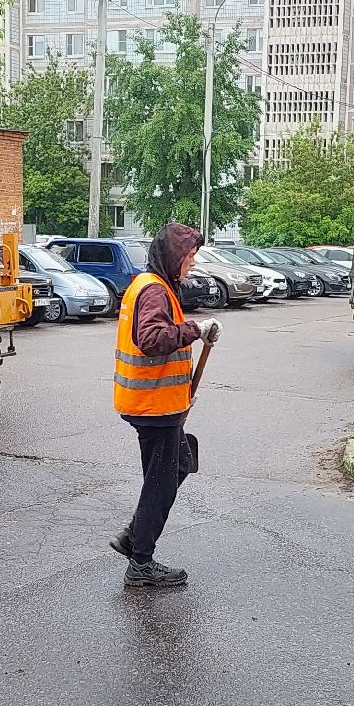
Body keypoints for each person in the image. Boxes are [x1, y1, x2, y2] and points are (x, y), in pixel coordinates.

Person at [110, 222, 220, 589]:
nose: (192, 263)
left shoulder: (153, 286)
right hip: (153, 405)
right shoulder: (154, 291)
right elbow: (153, 339)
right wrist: (196, 330)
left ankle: (134, 536)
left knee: (180, 465)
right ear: (174, 257)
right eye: (189, 257)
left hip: (157, 401)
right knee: (160, 481)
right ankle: (140, 560)